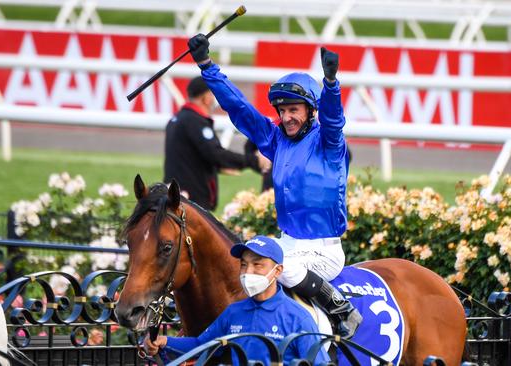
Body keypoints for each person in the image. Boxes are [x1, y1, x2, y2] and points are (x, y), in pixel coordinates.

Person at [187, 34, 362, 337]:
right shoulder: (277, 140)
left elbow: (334, 120)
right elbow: (241, 110)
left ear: (310, 110)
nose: (286, 117)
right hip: (287, 243)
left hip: (323, 251)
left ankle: (340, 309)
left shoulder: (328, 143)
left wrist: (331, 84)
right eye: (282, 111)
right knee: (246, 262)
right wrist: (206, 65)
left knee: (277, 268)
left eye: (294, 110)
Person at [143, 235, 330, 365]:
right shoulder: (234, 313)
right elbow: (202, 346)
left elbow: (319, 362)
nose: (248, 272)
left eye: (257, 265)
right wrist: (164, 342)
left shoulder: (298, 317)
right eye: (244, 265)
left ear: (277, 271)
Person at [163, 76, 270, 211]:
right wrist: (253, 160)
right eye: (213, 94)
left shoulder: (177, 119)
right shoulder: (194, 121)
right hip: (191, 201)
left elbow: (191, 155)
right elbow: (215, 154)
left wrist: (217, 167)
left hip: (178, 194)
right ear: (206, 98)